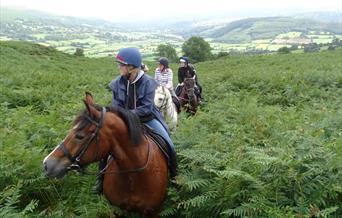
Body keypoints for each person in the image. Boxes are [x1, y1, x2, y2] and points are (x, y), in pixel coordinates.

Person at [93, 48, 178, 193]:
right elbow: (116, 106)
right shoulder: (117, 83)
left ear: (131, 67)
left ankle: (175, 175)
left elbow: (146, 108)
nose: (119, 67)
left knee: (168, 143)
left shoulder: (149, 83)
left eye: (121, 64)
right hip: (124, 121)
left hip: (147, 119)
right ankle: (100, 179)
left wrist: (124, 114)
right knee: (107, 145)